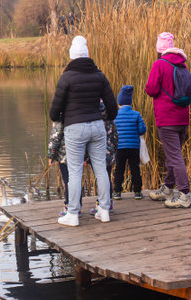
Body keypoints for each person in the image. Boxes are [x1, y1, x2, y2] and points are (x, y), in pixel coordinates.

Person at [50, 35, 118, 227]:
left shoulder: (67, 77)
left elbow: (55, 110)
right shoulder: (100, 76)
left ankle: (72, 214)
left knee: (74, 172)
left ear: (72, 56)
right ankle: (104, 210)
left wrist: (61, 117)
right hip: (97, 126)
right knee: (100, 170)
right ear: (87, 55)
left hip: (75, 128)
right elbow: (112, 107)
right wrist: (106, 118)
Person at [145, 32, 191, 208]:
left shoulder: (160, 64)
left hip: (167, 119)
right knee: (173, 154)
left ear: (159, 49)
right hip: (182, 118)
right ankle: (168, 188)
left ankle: (184, 195)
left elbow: (151, 89)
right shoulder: (183, 66)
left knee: (174, 156)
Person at [112, 85, 146, 200]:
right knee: (135, 169)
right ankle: (137, 191)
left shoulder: (115, 115)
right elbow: (142, 130)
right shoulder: (136, 114)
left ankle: (117, 191)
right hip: (133, 147)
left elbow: (112, 131)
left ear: (119, 103)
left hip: (120, 148)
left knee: (119, 169)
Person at [47, 121, 83, 217]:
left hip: (65, 156)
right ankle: (78, 206)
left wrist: (51, 156)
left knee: (68, 181)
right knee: (76, 179)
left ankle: (69, 205)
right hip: (78, 153)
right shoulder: (77, 114)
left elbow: (55, 138)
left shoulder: (60, 117)